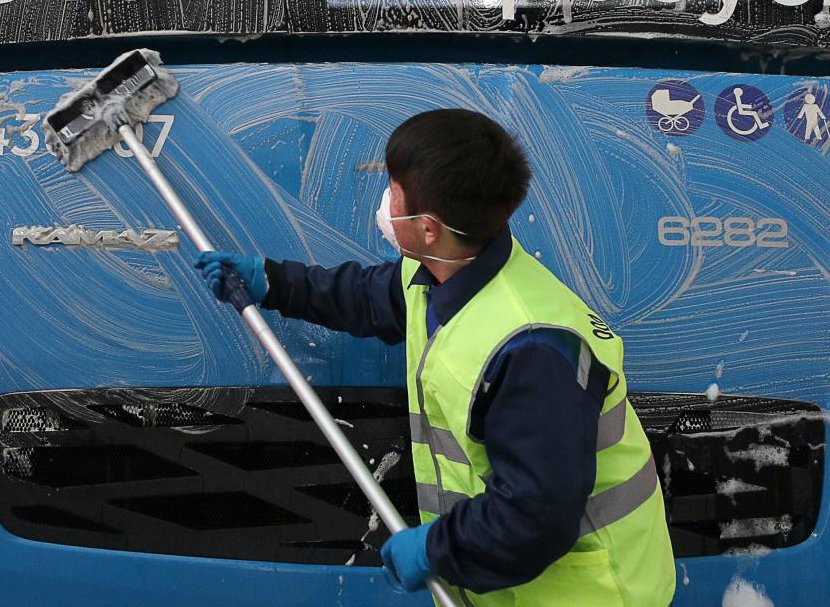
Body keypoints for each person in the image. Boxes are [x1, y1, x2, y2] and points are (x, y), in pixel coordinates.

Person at [195, 109, 676, 606]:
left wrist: (434, 548)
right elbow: (368, 295)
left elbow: (536, 518)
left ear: (427, 228)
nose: (385, 201)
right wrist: (271, 281)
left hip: (589, 594)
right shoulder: (450, 269)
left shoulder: (530, 350)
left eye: (394, 191)